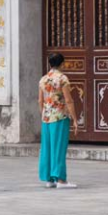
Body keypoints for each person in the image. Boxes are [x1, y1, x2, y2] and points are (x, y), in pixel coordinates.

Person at [38, 53, 79, 189]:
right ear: (62, 64)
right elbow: (68, 100)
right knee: (59, 147)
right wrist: (74, 118)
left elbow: (40, 100)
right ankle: (61, 180)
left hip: (46, 117)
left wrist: (43, 114)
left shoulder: (43, 79)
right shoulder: (62, 79)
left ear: (50, 64)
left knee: (47, 148)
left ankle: (49, 179)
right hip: (60, 116)